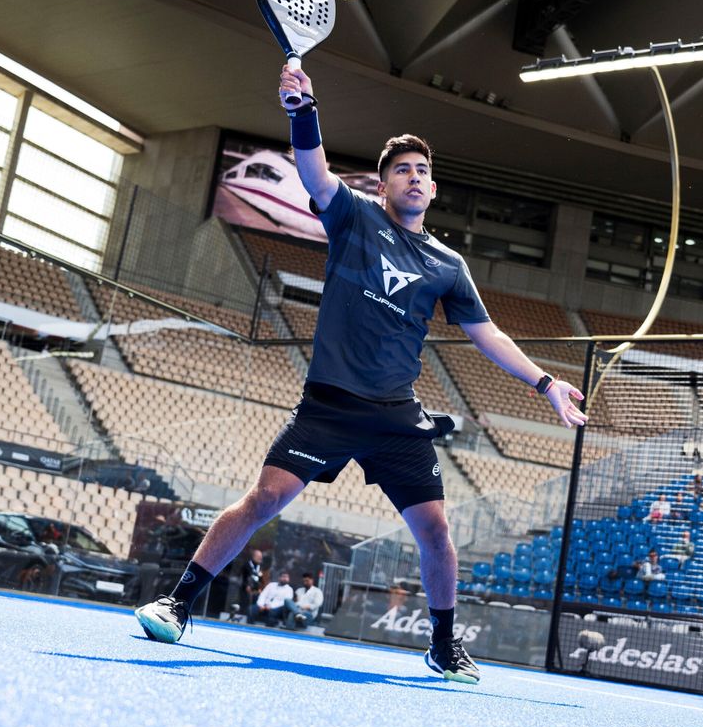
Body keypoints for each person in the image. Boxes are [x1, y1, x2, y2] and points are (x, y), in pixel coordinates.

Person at [135, 69, 587, 685]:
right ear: (383, 183)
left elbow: (488, 334)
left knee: (435, 530)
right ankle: (178, 604)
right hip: (327, 405)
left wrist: (545, 384)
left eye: (423, 171)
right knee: (264, 499)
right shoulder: (354, 217)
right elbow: (314, 171)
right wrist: (303, 109)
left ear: (434, 189)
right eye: (402, 169)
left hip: (395, 415)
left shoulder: (448, 264)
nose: (415, 177)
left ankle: (444, 645)